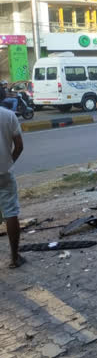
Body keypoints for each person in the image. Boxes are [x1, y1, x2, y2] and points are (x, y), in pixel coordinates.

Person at [0, 105, 24, 268]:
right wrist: (9, 162)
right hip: (4, 173)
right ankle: (14, 259)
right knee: (11, 212)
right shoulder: (8, 115)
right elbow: (19, 146)